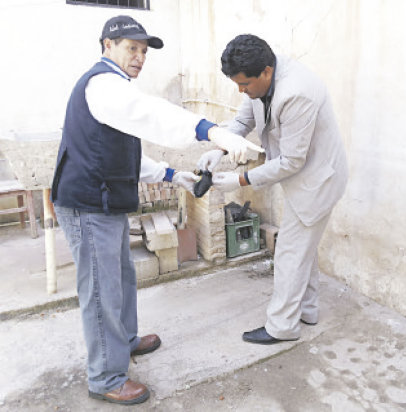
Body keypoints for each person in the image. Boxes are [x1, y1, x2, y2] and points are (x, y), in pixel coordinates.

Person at [51, 16, 262, 405]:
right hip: (86, 205)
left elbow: (123, 152)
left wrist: (171, 174)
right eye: (131, 47)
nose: (139, 57)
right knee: (102, 291)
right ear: (107, 46)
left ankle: (124, 342)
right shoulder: (103, 84)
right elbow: (152, 113)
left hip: (104, 202)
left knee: (121, 278)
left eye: (144, 51)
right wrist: (210, 131)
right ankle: (105, 376)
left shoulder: (115, 90)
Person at [199, 34, 348, 345]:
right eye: (237, 84)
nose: (241, 90)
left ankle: (282, 328)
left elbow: (293, 161)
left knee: (291, 253)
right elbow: (242, 121)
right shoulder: (258, 75)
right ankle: (306, 311)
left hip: (316, 181)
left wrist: (239, 181)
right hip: (301, 179)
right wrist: (221, 148)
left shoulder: (298, 93)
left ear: (266, 72)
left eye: (245, 85)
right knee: (302, 249)